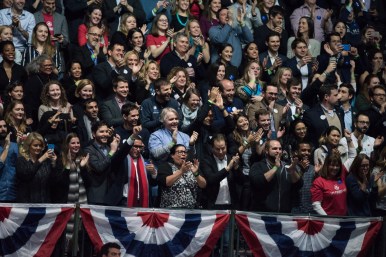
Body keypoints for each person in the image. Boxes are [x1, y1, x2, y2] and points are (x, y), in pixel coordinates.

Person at [83, 121, 132, 205]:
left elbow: (116, 165)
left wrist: (117, 148)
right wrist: (112, 151)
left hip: (111, 196)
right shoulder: (89, 150)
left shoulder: (110, 148)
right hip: (97, 196)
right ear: (94, 134)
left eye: (106, 131)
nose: (105, 134)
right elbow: (99, 167)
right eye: (101, 131)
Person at [250, 139, 302, 212]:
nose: (278, 151)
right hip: (263, 214)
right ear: (266, 150)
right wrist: (276, 167)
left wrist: (292, 171)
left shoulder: (287, 166)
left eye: (280, 149)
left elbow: (299, 185)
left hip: (284, 214)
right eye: (274, 149)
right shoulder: (258, 166)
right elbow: (258, 182)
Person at [227, 113, 263, 210]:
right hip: (240, 176)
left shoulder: (254, 134)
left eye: (245, 120)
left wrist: (257, 143)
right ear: (236, 125)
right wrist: (247, 141)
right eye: (240, 121)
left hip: (253, 174)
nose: (244, 123)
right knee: (241, 206)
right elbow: (235, 154)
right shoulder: (232, 137)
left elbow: (259, 155)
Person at [16, 132, 61, 203]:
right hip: (27, 204)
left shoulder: (46, 162)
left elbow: (53, 181)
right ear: (28, 146)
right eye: (35, 145)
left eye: (40, 145)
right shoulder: (21, 160)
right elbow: (26, 176)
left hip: (44, 202)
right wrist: (41, 159)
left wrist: (54, 163)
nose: (38, 148)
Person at [200, 133, 242, 210]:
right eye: (217, 149)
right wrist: (228, 168)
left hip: (231, 205)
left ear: (226, 146)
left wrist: (236, 167)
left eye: (223, 148)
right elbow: (211, 179)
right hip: (212, 204)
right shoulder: (206, 161)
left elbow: (241, 181)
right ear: (212, 148)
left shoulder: (232, 158)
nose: (220, 152)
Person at [157, 143, 205, 208]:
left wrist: (196, 173)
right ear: (172, 155)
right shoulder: (165, 167)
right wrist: (181, 171)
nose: (183, 154)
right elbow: (167, 182)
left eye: (185, 152)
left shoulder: (191, 167)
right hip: (171, 211)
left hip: (191, 210)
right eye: (180, 152)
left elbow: (203, 185)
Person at [24, 54, 58, 125]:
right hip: (37, 113)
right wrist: (29, 116)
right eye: (46, 65)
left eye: (50, 65)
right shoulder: (32, 80)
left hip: (54, 109)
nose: (49, 67)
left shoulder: (54, 77)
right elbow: (28, 101)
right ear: (39, 66)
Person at [0, 118, 18, 202]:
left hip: (14, 192)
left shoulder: (15, 146)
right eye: (0, 127)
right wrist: (7, 146)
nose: (3, 129)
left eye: (4, 126)